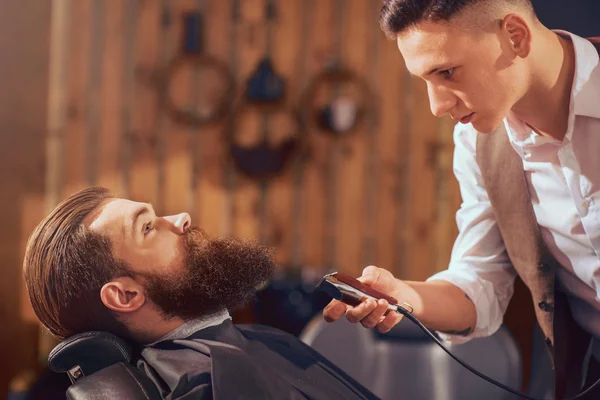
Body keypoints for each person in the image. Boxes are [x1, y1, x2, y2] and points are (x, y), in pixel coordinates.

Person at [323, 0, 600, 398]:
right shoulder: (477, 143)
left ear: (515, 36)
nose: (437, 106)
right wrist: (405, 296)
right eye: (426, 80)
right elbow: (479, 284)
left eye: (448, 72)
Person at [23, 186, 379, 400]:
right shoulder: (207, 384)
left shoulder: (245, 343)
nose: (181, 218)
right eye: (148, 227)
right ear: (126, 296)